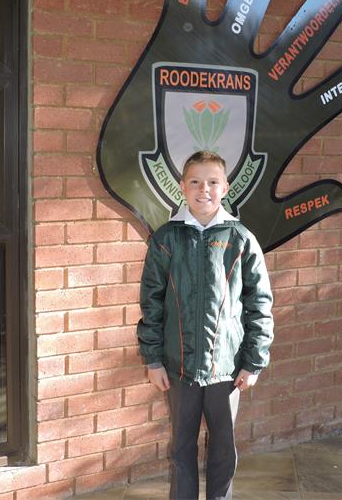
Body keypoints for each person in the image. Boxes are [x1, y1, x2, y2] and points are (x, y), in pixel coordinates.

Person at [137, 150, 274, 500]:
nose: (204, 190)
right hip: (179, 367)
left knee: (223, 450)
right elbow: (151, 303)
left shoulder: (241, 239)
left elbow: (259, 304)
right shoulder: (166, 239)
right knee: (181, 448)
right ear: (182, 187)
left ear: (225, 187)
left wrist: (253, 362)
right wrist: (153, 360)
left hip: (226, 370)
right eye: (195, 182)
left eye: (213, 182)